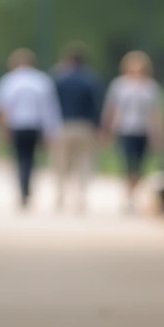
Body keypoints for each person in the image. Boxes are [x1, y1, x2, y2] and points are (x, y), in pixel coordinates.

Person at [0, 48, 62, 209]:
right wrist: (51, 130)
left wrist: (0, 128)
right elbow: (49, 108)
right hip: (35, 125)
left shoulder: (9, 80)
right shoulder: (42, 80)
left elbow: (1, 107)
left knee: (20, 158)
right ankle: (27, 186)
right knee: (31, 158)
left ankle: (23, 187)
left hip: (16, 125)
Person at [100, 50, 164, 212]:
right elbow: (111, 109)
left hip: (143, 130)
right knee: (128, 163)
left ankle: (132, 194)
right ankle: (129, 197)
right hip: (125, 129)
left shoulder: (150, 87)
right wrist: (106, 129)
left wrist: (159, 134)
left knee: (140, 166)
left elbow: (155, 113)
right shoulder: (119, 85)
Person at [50, 43, 103, 214]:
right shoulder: (91, 79)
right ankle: (80, 195)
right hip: (85, 126)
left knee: (61, 162)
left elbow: (50, 104)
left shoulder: (59, 79)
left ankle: (60, 194)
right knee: (84, 162)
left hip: (63, 125)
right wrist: (98, 126)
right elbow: (97, 105)